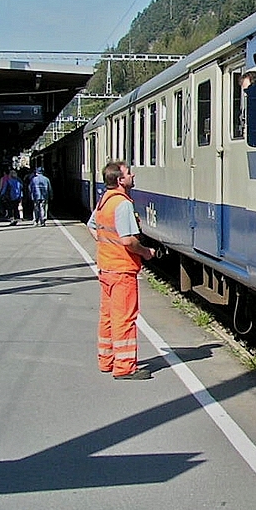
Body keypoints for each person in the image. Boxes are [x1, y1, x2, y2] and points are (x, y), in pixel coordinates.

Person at [87, 161, 155, 380]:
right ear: (120, 180)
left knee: (107, 316)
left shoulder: (104, 201)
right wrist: (145, 252)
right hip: (122, 269)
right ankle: (125, 367)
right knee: (125, 318)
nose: (132, 175)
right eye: (128, 173)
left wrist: (107, 244)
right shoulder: (123, 204)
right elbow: (128, 241)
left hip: (106, 267)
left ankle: (106, 360)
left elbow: (92, 227)